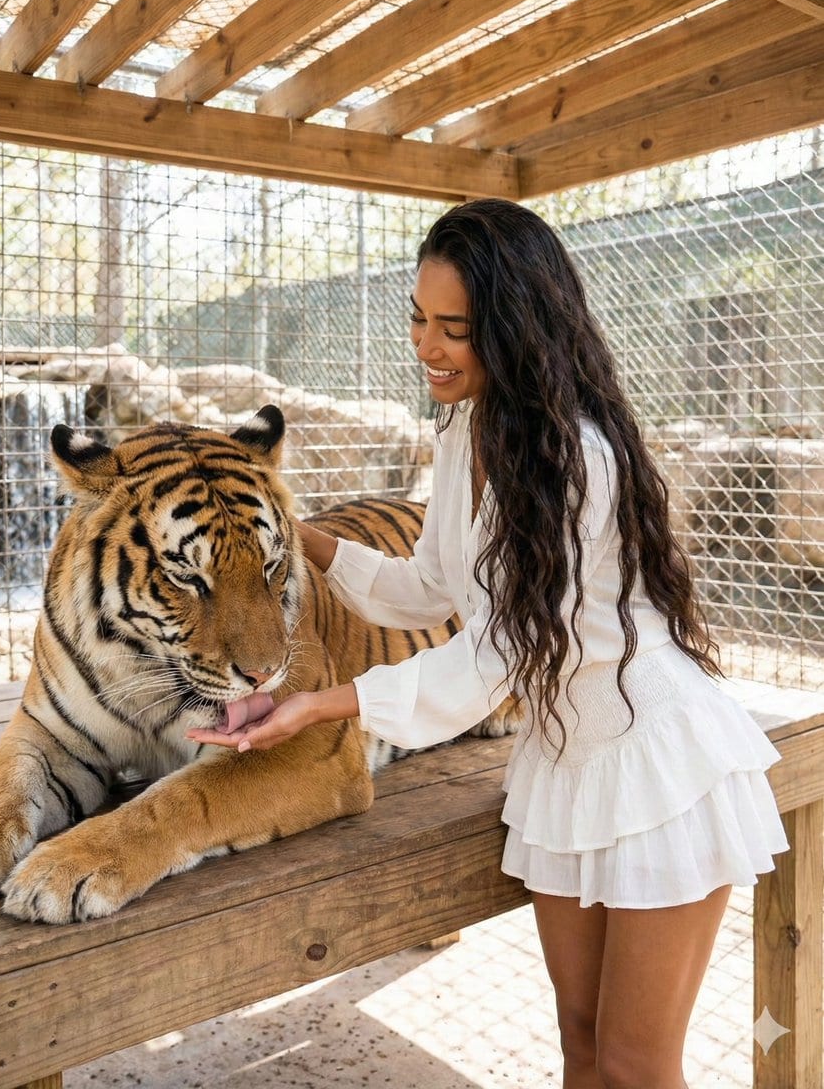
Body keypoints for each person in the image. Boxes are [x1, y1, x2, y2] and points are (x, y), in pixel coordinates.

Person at [188, 198, 788, 1089]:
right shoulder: (467, 427)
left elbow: (496, 656)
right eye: (418, 321)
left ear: (513, 328)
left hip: (657, 763)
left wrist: (325, 704)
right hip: (561, 759)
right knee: (579, 1044)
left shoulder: (577, 454)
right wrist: (295, 528)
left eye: (453, 329)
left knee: (633, 1063)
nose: (426, 346)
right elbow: (428, 587)